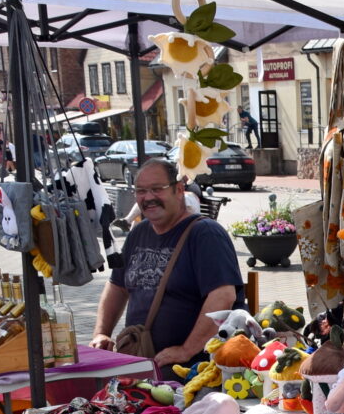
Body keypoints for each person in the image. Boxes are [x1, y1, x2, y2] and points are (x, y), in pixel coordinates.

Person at [90, 158, 244, 379]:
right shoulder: (138, 233)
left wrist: (187, 350)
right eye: (141, 191)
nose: (148, 197)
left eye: (157, 189)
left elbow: (223, 296)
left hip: (192, 369)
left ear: (179, 190)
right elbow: (117, 286)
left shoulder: (205, 234)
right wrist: (101, 333)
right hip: (141, 361)